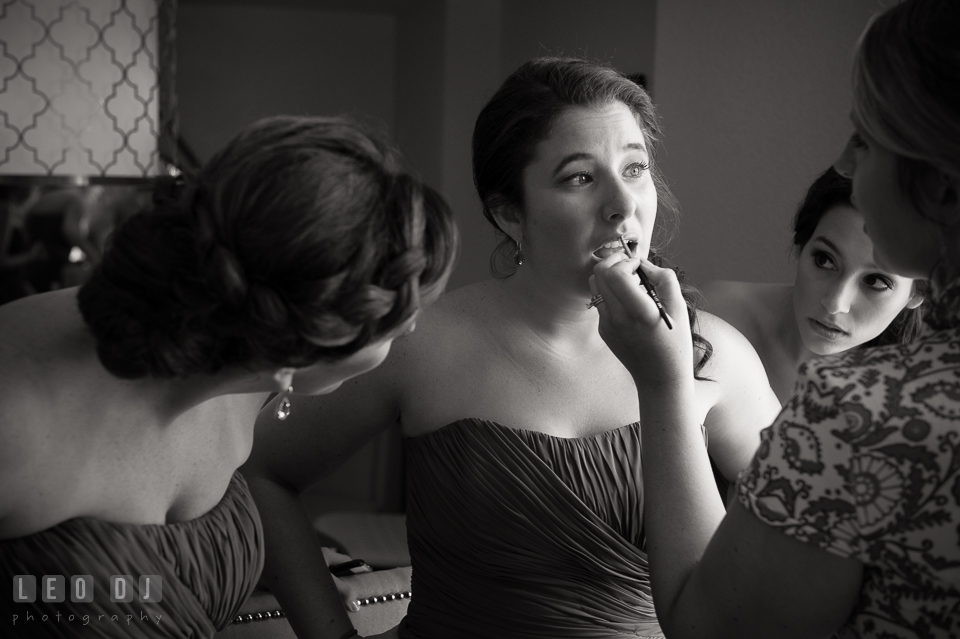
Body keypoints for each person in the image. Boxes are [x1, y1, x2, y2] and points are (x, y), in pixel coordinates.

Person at [242, 57, 782, 639]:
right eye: (580, 177)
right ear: (509, 214)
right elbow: (261, 469)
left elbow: (805, 541)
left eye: (635, 169)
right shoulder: (421, 341)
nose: (623, 206)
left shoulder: (716, 356)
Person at [0, 115, 457, 638]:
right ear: (305, 342)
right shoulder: (17, 417)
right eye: (396, 325)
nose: (415, 326)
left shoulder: (248, 378)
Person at [590, 0, 960, 636]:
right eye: (823, 259)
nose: (844, 161)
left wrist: (665, 385)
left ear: (941, 185)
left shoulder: (860, 415)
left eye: (866, 137)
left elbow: (708, 627)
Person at [700, 167, 925, 403]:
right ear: (801, 245)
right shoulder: (718, 315)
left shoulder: (915, 401)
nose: (835, 303)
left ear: (917, 294)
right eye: (824, 260)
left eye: (876, 281)